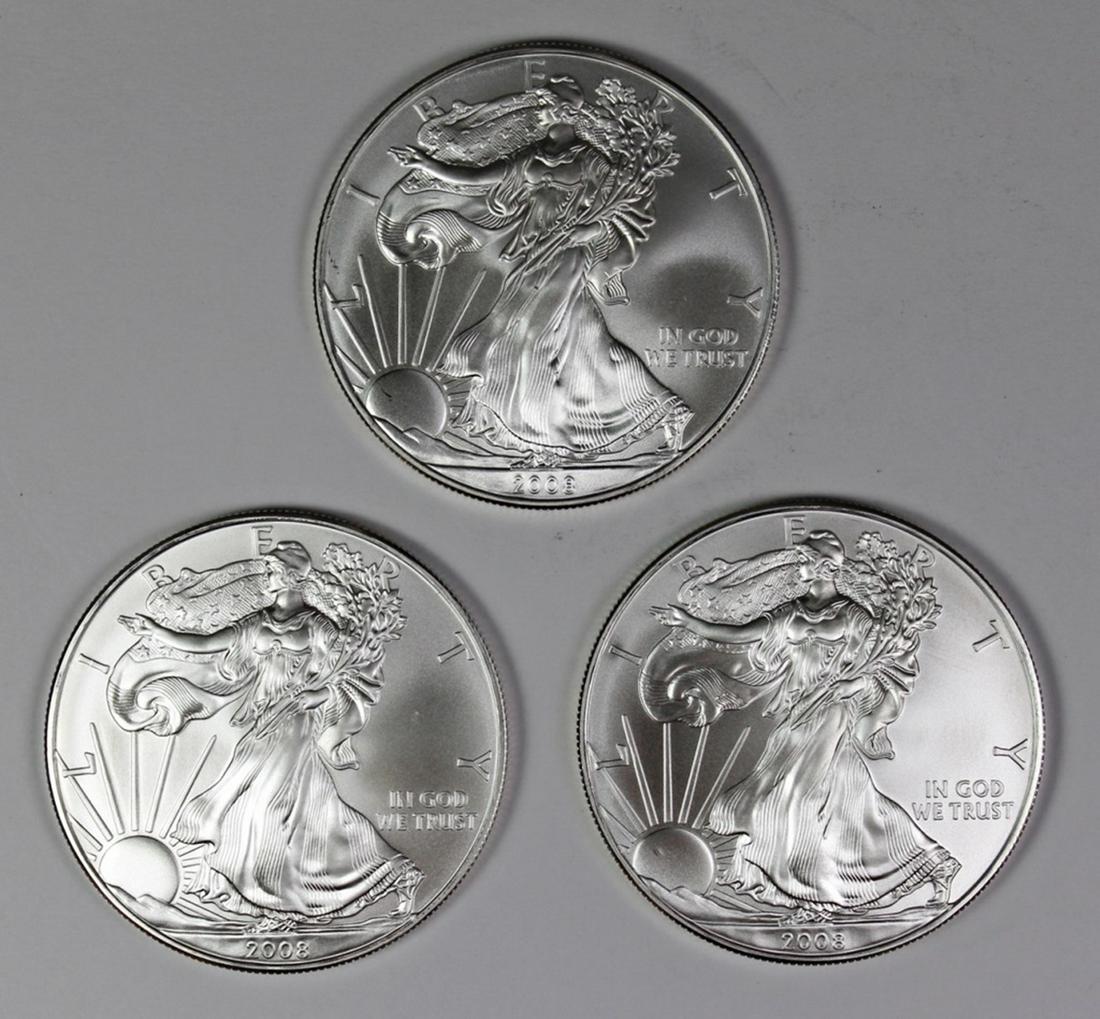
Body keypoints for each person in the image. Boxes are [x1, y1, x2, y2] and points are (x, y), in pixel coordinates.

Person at [376, 76, 690, 465]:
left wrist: (590, 228)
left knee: (537, 340)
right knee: (567, 342)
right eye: (541, 105)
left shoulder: (591, 161)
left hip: (567, 256)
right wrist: (430, 165)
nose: (539, 113)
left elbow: (623, 208)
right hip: (533, 254)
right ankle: (652, 413)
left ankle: (547, 442)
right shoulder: (531, 157)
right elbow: (479, 177)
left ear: (567, 113)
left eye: (547, 106)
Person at [110, 541, 421, 929]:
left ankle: (277, 906)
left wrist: (319, 694)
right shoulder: (256, 622)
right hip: (262, 724)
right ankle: (388, 874)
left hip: (295, 724)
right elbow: (206, 645)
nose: (266, 576)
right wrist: (157, 631)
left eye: (272, 570)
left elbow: (353, 673)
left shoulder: (317, 626)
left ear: (290, 577)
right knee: (291, 812)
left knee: (265, 810)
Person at [650, 531, 959, 916]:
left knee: (796, 795)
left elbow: (885, 665)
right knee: (847, 803)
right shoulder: (790, 612)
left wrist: (854, 684)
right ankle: (931, 863)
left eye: (805, 560)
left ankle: (815, 893)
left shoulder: (853, 616)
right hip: (798, 711)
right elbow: (741, 635)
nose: (798, 567)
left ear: (826, 567)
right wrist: (692, 622)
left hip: (833, 710)